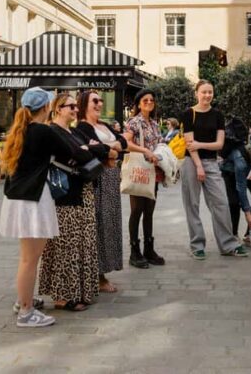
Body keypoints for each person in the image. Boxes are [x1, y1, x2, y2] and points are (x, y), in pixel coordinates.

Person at [0, 87, 66, 328]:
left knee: (27, 257)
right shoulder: (42, 131)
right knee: (30, 259)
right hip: (33, 199)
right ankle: (26, 312)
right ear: (47, 107)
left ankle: (23, 300)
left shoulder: (22, 130)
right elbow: (70, 153)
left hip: (17, 198)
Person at [39, 93, 100, 312]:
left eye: (76, 105)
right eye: (70, 106)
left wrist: (88, 150)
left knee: (81, 242)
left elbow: (96, 151)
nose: (75, 109)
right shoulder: (53, 131)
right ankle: (63, 296)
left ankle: (79, 290)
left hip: (81, 190)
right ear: (57, 109)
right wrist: (86, 150)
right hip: (64, 194)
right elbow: (80, 154)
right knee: (66, 245)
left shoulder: (72, 131)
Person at [180, 80, 247, 260]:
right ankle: (197, 245)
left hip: (211, 163)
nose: (207, 95)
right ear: (196, 93)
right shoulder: (189, 114)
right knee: (192, 204)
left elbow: (219, 144)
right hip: (191, 162)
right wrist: (199, 165)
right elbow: (188, 144)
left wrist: (200, 144)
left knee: (221, 203)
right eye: (204, 92)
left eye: (210, 92)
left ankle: (228, 244)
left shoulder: (217, 114)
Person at [74, 90, 127, 294]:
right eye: (94, 101)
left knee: (110, 223)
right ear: (84, 104)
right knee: (99, 224)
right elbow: (89, 149)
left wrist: (109, 147)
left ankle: (104, 269)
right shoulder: (82, 127)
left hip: (112, 179)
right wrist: (110, 151)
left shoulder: (103, 125)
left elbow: (122, 142)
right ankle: (97, 275)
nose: (99, 104)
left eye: (100, 100)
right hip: (98, 179)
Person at [123, 89, 166, 268]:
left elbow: (159, 143)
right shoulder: (134, 122)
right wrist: (145, 151)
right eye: (145, 100)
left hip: (152, 172)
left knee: (149, 211)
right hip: (139, 171)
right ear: (139, 104)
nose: (149, 102)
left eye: (151, 100)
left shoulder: (154, 124)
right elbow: (126, 143)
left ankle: (149, 249)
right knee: (137, 211)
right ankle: (135, 252)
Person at [219, 116, 251, 245]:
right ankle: (233, 234)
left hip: (234, 170)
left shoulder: (237, 150)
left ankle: (247, 234)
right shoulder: (240, 156)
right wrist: (248, 213)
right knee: (233, 202)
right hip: (230, 173)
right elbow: (241, 187)